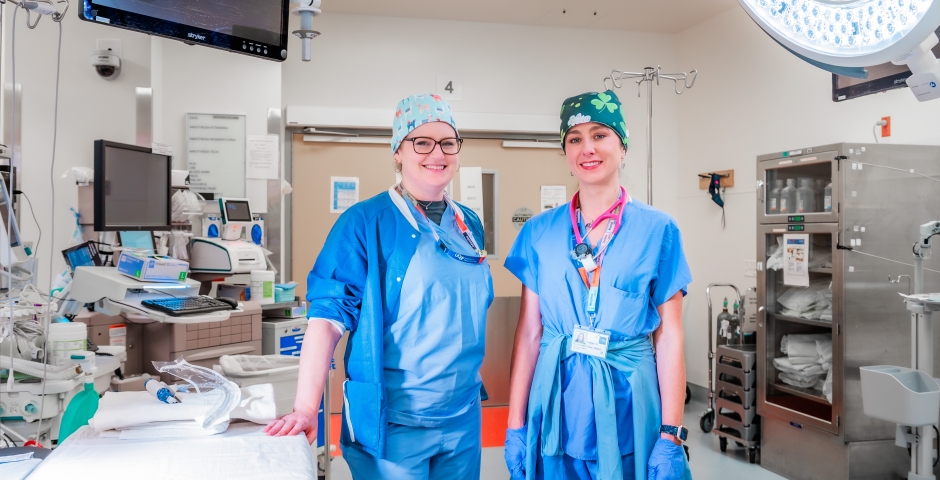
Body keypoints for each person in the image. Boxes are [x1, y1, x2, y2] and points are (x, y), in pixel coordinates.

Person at [264, 94, 494, 480]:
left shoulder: (468, 222)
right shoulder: (364, 223)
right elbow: (326, 320)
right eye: (421, 142)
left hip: (462, 414)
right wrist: (306, 408)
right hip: (394, 421)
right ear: (398, 152)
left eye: (447, 142)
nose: (436, 152)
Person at [502, 90, 693, 480]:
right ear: (566, 153)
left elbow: (670, 336)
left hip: (628, 402)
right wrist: (515, 424)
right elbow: (528, 335)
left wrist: (671, 433)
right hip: (556, 400)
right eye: (575, 139)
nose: (587, 148)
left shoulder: (658, 230)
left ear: (622, 147)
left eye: (600, 134)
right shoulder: (539, 232)